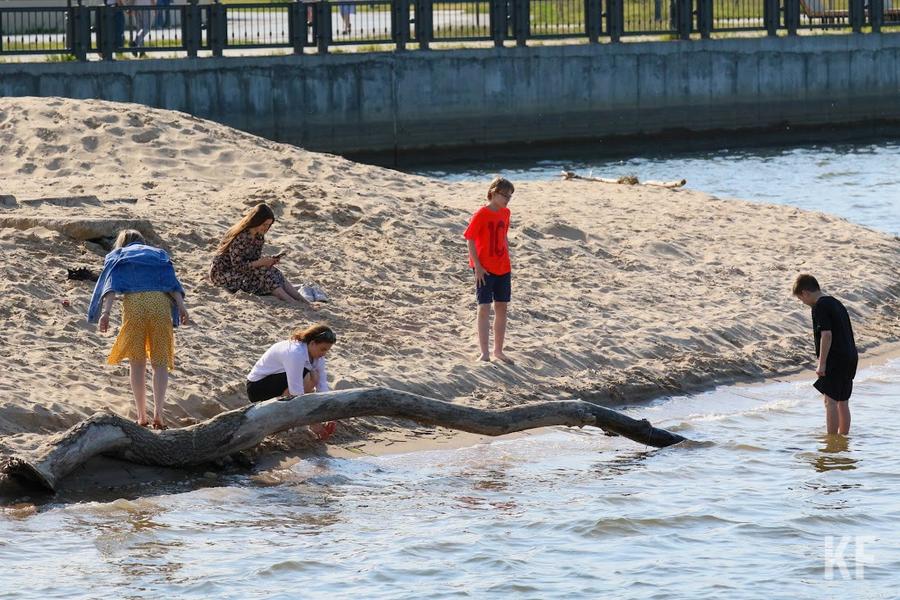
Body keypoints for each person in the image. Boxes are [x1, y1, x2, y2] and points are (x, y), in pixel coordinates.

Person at [87, 229, 189, 430]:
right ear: (142, 242)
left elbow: (111, 287)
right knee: (160, 362)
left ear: (122, 242)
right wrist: (182, 307)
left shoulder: (119, 255)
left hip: (134, 307)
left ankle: (142, 416)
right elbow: (171, 284)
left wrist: (105, 313)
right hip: (159, 305)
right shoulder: (158, 254)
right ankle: (158, 414)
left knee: (137, 363)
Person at [246, 324, 338, 440]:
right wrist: (314, 423)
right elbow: (296, 392)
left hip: (279, 384)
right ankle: (282, 418)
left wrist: (329, 415)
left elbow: (323, 387)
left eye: (327, 350)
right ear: (312, 343)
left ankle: (287, 416)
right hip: (257, 388)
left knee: (315, 378)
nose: (324, 353)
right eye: (323, 349)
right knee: (308, 375)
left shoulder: (317, 357)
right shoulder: (296, 352)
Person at [793, 274, 858, 435]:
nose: (804, 303)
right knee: (843, 402)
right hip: (850, 356)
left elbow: (826, 335)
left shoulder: (819, 306)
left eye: (802, 300)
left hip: (835, 359)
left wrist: (822, 363)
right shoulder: (836, 302)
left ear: (805, 293)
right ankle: (843, 441)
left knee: (830, 401)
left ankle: (832, 444)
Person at [210, 203, 308, 304]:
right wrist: (261, 263)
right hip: (224, 273)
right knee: (265, 273)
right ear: (256, 221)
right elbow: (238, 266)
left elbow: (253, 260)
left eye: (269, 225)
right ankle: (290, 300)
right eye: (264, 224)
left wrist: (269, 261)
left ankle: (302, 300)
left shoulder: (259, 236)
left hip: (240, 271)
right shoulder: (241, 237)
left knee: (274, 271)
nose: (266, 228)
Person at [463, 176, 514, 363]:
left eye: (509, 197)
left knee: (501, 307)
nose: (507, 200)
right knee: (484, 307)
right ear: (493, 193)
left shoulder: (506, 213)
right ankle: (484, 353)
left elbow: (504, 237)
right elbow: (469, 238)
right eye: (504, 196)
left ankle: (498, 351)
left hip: (503, 267)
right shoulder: (481, 214)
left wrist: (508, 257)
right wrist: (477, 266)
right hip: (484, 269)